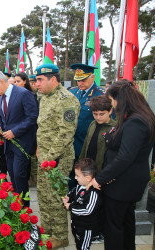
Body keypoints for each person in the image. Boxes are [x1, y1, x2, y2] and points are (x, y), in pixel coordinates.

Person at [87, 80, 155, 250]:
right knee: (125, 221)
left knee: (113, 227)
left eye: (112, 101)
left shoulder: (136, 122)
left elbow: (125, 157)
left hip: (123, 182)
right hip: (123, 180)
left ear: (120, 99)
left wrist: (100, 179)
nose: (113, 105)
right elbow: (116, 139)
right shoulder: (133, 118)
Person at [34, 63, 80, 248]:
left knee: (55, 197)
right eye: (36, 80)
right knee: (44, 195)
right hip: (44, 155)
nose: (36, 84)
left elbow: (66, 133)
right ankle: (48, 229)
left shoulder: (66, 100)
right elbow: (43, 126)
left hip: (57, 158)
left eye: (40, 80)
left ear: (53, 79)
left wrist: (49, 157)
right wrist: (39, 149)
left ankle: (60, 235)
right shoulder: (44, 97)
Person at [0, 71, 38, 207]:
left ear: (2, 81)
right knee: (13, 175)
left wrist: (15, 132)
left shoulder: (23, 94)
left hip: (22, 143)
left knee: (19, 175)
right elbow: (0, 117)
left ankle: (25, 208)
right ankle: (17, 206)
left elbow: (32, 117)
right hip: (8, 144)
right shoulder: (0, 98)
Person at [78, 95, 115, 243]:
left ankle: (100, 232)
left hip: (103, 174)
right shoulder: (93, 124)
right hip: (89, 172)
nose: (98, 117)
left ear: (110, 111)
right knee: (91, 203)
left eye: (102, 114)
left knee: (101, 205)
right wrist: (80, 166)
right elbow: (86, 144)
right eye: (95, 114)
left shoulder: (114, 128)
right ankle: (93, 230)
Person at [69, 64, 106, 190]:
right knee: (72, 177)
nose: (80, 83)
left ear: (93, 77)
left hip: (88, 144)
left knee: (86, 177)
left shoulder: (101, 95)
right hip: (71, 143)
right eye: (78, 80)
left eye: (83, 80)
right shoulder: (72, 92)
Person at [62, 158, 102, 250]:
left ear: (88, 178)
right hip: (77, 223)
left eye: (77, 176)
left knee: (83, 247)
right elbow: (74, 192)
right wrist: (68, 197)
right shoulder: (80, 185)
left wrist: (70, 207)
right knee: (78, 244)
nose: (75, 178)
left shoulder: (93, 193)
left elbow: (87, 210)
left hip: (86, 228)